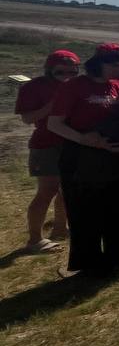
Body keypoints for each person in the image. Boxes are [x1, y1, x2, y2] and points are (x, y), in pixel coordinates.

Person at [45, 44, 119, 276]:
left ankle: (116, 255)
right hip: (81, 157)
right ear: (99, 63)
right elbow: (54, 123)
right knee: (86, 211)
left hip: (114, 156)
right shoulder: (74, 86)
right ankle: (90, 262)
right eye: (115, 65)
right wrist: (84, 139)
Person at [14, 50, 79, 252]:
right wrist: (52, 106)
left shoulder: (77, 86)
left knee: (67, 188)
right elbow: (27, 118)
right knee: (47, 191)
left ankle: (60, 228)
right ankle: (35, 240)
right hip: (46, 145)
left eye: (72, 72)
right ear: (49, 69)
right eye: (61, 71)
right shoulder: (33, 87)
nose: (67, 76)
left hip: (71, 143)